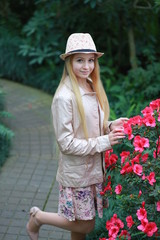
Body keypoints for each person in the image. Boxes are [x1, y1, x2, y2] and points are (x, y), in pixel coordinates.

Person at [26, 33, 128, 240]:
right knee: (86, 226)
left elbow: (90, 125)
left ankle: (39, 217)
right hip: (78, 174)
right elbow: (66, 143)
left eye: (90, 60)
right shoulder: (65, 97)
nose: (86, 66)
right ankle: (38, 217)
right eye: (80, 60)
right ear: (69, 62)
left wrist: (109, 126)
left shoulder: (90, 84)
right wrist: (104, 142)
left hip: (92, 170)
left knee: (78, 225)